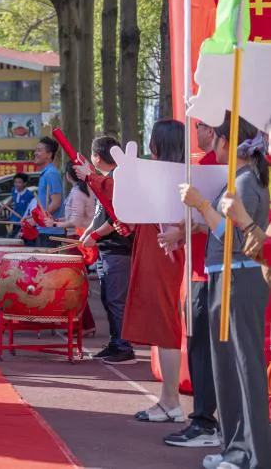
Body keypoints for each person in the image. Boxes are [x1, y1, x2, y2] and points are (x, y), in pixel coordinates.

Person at [181, 113, 270, 469]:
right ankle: (234, 446)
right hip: (225, 275)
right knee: (226, 366)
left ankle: (252, 453)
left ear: (226, 141)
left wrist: (201, 204)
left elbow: (235, 239)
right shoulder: (240, 178)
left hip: (240, 275)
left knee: (244, 365)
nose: (211, 144)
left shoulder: (247, 181)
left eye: (215, 137)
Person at [121, 120, 188, 423]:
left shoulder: (162, 177)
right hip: (165, 250)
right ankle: (167, 399)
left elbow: (127, 209)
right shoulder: (181, 175)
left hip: (164, 252)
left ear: (157, 144)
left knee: (165, 325)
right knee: (164, 325)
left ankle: (171, 401)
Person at [166, 119, 222, 448]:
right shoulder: (206, 165)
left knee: (204, 346)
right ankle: (207, 419)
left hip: (211, 270)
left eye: (200, 125)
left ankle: (206, 422)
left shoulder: (217, 168)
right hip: (201, 268)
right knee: (202, 345)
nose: (196, 132)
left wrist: (185, 230)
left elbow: (214, 220)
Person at [76, 136, 135, 365]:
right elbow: (103, 215)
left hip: (118, 249)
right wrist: (89, 231)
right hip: (107, 249)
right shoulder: (107, 180)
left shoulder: (116, 181)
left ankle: (123, 345)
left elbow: (117, 218)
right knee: (109, 299)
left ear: (97, 158)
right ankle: (115, 342)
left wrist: (94, 234)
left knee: (116, 300)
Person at [46, 161, 97, 335]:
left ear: (68, 176)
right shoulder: (87, 190)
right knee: (75, 283)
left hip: (76, 239)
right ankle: (82, 323)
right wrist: (57, 221)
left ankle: (84, 324)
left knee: (73, 284)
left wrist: (54, 222)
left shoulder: (77, 193)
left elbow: (75, 221)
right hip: (77, 238)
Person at [34, 137, 65, 246]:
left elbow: (56, 202)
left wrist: (38, 219)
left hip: (51, 232)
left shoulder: (51, 173)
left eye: (39, 150)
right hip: (45, 230)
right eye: (35, 150)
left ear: (49, 154)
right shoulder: (46, 173)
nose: (35, 153)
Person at [0, 173, 35, 238]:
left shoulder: (29, 195)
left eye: (19, 182)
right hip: (13, 218)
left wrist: (29, 218)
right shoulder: (14, 190)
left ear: (25, 183)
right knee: (10, 236)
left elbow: (33, 208)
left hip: (23, 220)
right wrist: (1, 209)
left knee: (19, 238)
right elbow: (12, 199)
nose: (17, 184)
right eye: (15, 182)